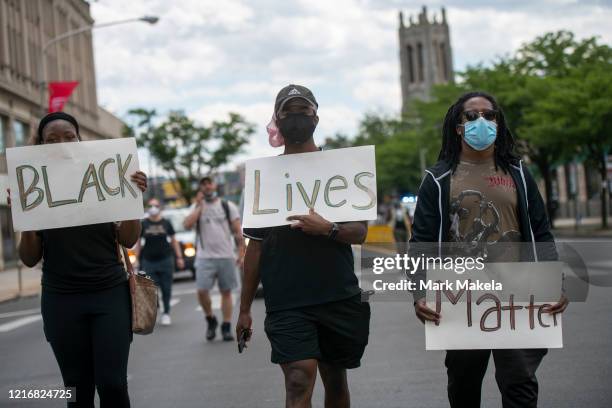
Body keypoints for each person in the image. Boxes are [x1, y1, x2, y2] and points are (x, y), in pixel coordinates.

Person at [409, 91, 568, 408]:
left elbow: (540, 231)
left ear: (498, 122)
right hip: (461, 300)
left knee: (520, 386)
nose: (481, 121)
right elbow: (421, 241)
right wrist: (419, 292)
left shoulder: (519, 174)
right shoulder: (437, 179)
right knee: (464, 388)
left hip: (518, 297)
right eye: (471, 116)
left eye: (489, 114)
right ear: (458, 126)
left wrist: (556, 284)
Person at [237, 84, 371, 408]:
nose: (296, 117)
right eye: (288, 111)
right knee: (298, 380)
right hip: (287, 301)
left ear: (316, 117)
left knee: (336, 381)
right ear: (277, 119)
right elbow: (254, 249)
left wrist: (328, 228)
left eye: (304, 110)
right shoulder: (263, 177)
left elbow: (360, 233)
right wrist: (243, 310)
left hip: (337, 294)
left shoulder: (343, 168)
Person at [12, 111, 147, 408]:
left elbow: (128, 239)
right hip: (62, 299)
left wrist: (132, 198)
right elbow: (29, 258)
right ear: (41, 145)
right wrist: (25, 216)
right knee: (76, 389)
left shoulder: (105, 175)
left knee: (112, 384)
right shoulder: (35, 185)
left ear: (80, 139)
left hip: (109, 294)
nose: (62, 143)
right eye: (52, 139)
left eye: (69, 137)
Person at [183, 176, 244, 341]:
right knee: (202, 291)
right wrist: (199, 206)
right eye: (203, 184)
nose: (207, 186)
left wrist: (241, 251)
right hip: (204, 257)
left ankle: (226, 326)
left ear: (215, 185)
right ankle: (210, 320)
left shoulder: (227, 206)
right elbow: (187, 224)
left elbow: (238, 231)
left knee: (226, 292)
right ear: (201, 188)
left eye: (209, 183)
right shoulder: (196, 207)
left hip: (226, 255)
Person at [134, 198, 184, 326]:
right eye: (150, 206)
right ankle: (156, 308)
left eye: (155, 205)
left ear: (160, 207)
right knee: (151, 289)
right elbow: (138, 244)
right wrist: (135, 260)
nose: (153, 208)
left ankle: (166, 312)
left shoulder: (166, 223)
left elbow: (174, 240)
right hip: (149, 260)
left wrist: (179, 257)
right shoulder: (143, 224)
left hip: (166, 259)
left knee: (166, 288)